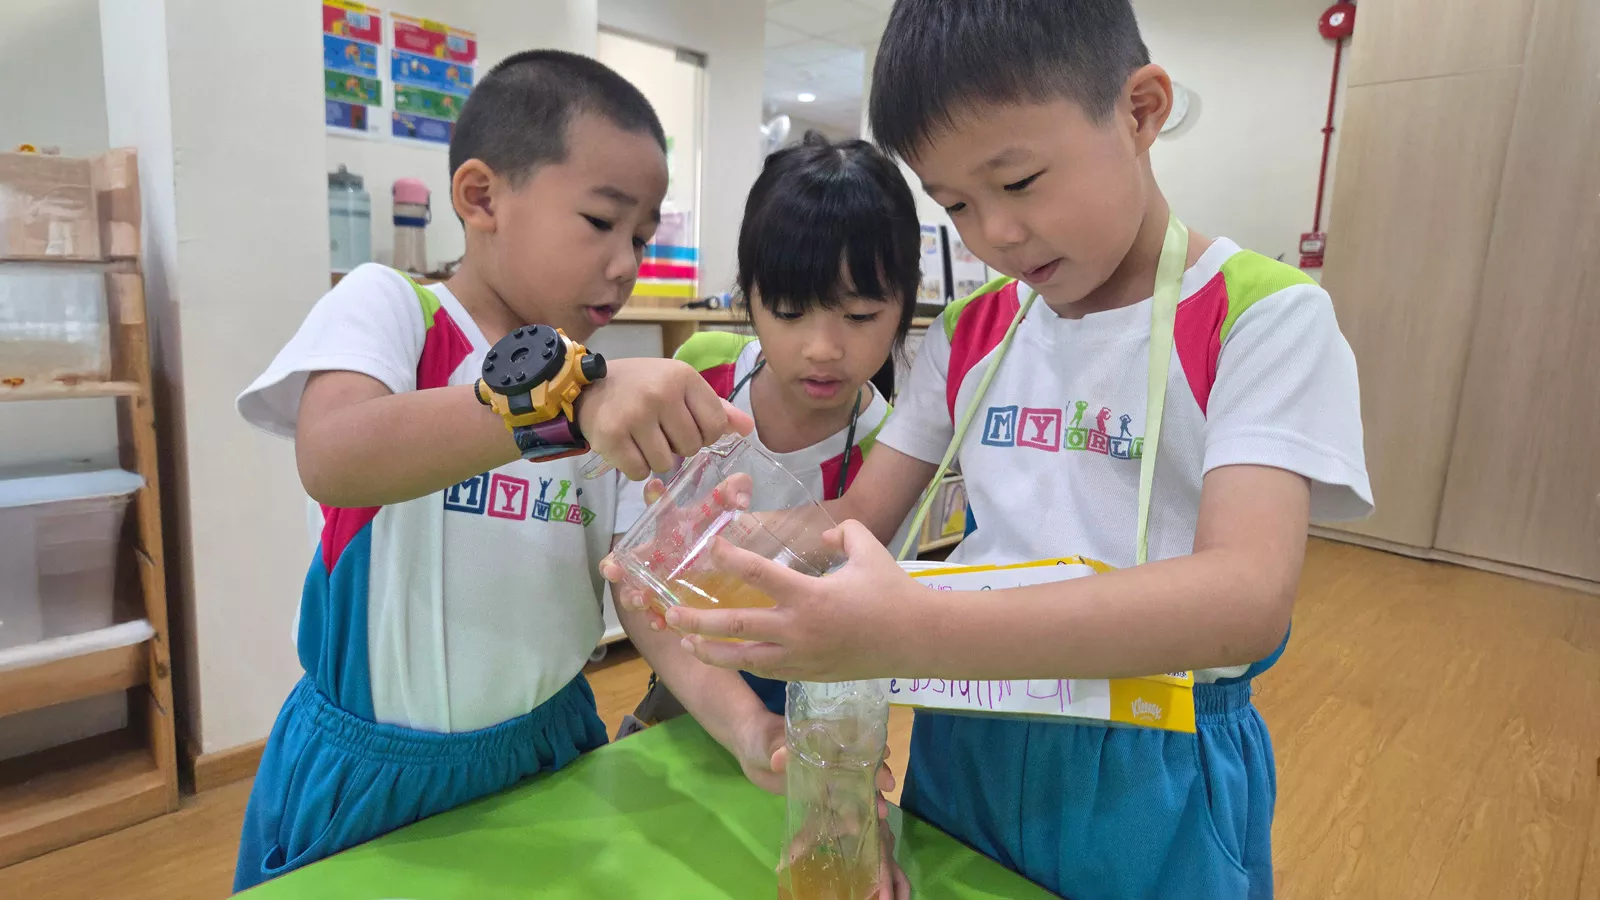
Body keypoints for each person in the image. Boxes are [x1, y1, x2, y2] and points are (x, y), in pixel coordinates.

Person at [614, 2, 1373, 898]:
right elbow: (860, 516)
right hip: (965, 727)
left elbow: (1245, 599)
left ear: (1140, 111)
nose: (995, 236)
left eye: (1019, 182)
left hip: (1151, 754)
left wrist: (910, 627)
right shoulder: (974, 331)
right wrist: (718, 554)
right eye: (957, 205)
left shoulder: (1259, 317)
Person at [231, 50, 765, 890]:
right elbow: (335, 455)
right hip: (381, 776)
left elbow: (635, 588)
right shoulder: (395, 309)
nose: (626, 262)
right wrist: (559, 400)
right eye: (601, 221)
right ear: (481, 198)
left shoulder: (602, 386)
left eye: (642, 236)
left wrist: (745, 724)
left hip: (548, 744)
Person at [612, 131, 922, 732]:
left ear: (906, 305)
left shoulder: (894, 451)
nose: (823, 349)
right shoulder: (699, 376)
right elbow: (636, 577)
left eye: (859, 316)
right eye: (788, 311)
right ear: (747, 298)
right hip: (680, 682)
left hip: (811, 712)